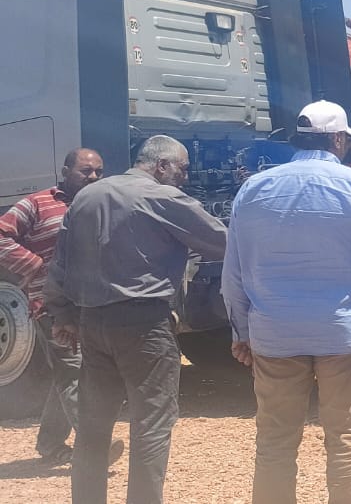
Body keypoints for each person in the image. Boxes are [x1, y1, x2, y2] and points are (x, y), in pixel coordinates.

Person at [222, 100, 351, 504]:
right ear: (338, 139)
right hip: (342, 335)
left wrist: (241, 332)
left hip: (274, 334)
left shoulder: (253, 189)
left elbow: (233, 275)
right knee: (346, 437)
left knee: (275, 440)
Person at [44, 135, 228, 504]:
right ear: (162, 165)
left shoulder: (86, 197)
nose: (185, 177)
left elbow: (60, 262)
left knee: (93, 428)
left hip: (92, 324)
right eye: (182, 169)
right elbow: (222, 240)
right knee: (151, 426)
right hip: (144, 327)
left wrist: (62, 314)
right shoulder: (163, 197)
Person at [0, 148, 110, 466]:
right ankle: (94, 447)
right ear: (64, 172)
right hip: (51, 305)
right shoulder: (37, 203)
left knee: (70, 371)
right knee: (73, 371)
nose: (93, 177)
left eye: (98, 172)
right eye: (85, 171)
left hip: (91, 305)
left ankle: (49, 443)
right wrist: (33, 264)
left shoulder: (100, 204)